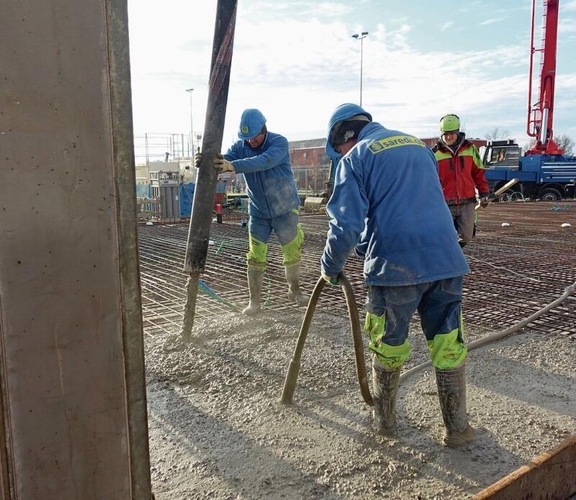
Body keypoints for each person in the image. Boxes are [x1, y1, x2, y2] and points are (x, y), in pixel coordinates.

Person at [321, 103, 476, 447]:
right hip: (445, 260)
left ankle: (385, 423)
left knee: (388, 345)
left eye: (339, 149)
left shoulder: (356, 157)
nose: (340, 155)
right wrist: (367, 242)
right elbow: (410, 203)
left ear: (345, 136)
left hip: (395, 268)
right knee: (448, 344)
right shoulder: (418, 147)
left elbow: (345, 224)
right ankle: (457, 429)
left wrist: (329, 267)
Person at [200, 108, 308, 316]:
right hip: (259, 212)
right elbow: (223, 160)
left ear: (263, 129)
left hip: (285, 210)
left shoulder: (279, 143)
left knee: (291, 252)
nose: (250, 142)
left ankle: (295, 290)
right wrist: (207, 161)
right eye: (246, 138)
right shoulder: (241, 147)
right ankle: (254, 302)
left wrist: (232, 166)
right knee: (255, 255)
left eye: (253, 137)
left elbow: (263, 161)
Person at [432, 114, 490, 247]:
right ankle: (450, 259)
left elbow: (478, 173)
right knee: (446, 235)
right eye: (445, 134)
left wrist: (484, 193)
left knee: (466, 236)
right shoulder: (435, 154)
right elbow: (429, 179)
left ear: (457, 132)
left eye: (451, 133)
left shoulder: (470, 149)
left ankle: (455, 252)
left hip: (467, 201)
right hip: (445, 203)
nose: (448, 137)